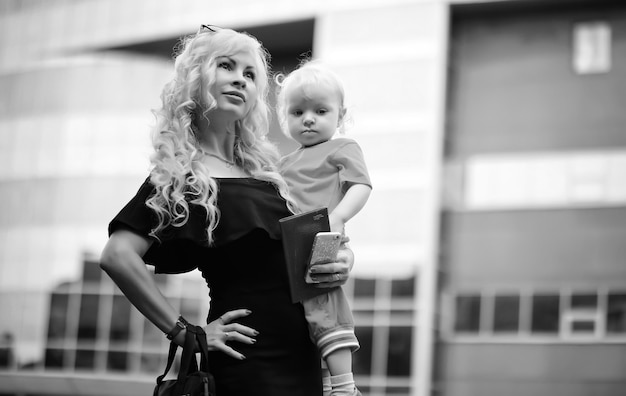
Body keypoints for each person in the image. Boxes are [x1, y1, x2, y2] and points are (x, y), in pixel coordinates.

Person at [99, 26, 355, 396]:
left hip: (306, 356)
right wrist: (184, 332)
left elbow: (309, 243)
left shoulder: (270, 174)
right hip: (248, 362)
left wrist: (342, 259)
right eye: (226, 67)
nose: (240, 80)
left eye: (250, 75)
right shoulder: (182, 176)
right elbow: (118, 255)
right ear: (197, 78)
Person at [276, 60, 372, 396]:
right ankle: (327, 381)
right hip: (290, 243)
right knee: (302, 313)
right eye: (298, 112)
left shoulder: (342, 148)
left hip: (323, 236)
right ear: (284, 117)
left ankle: (344, 385)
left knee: (325, 300)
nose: (308, 119)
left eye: (320, 110)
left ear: (340, 115)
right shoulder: (282, 165)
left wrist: (340, 217)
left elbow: (360, 186)